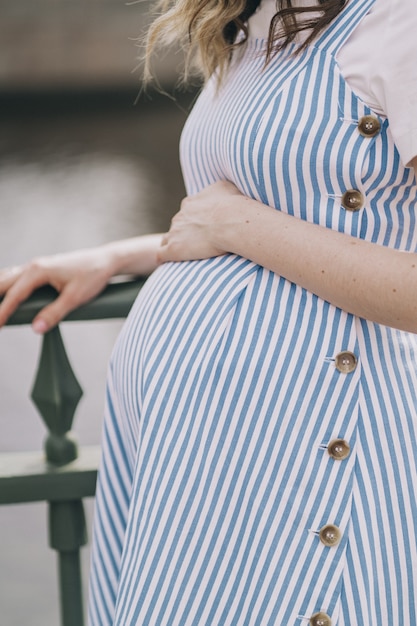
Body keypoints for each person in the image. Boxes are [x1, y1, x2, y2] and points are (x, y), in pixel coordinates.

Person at [1, 0, 417, 623]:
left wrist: (234, 222)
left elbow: (238, 217)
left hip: (310, 450)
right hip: (202, 460)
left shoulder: (398, 22)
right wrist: (127, 254)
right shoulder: (258, 18)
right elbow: (287, 207)